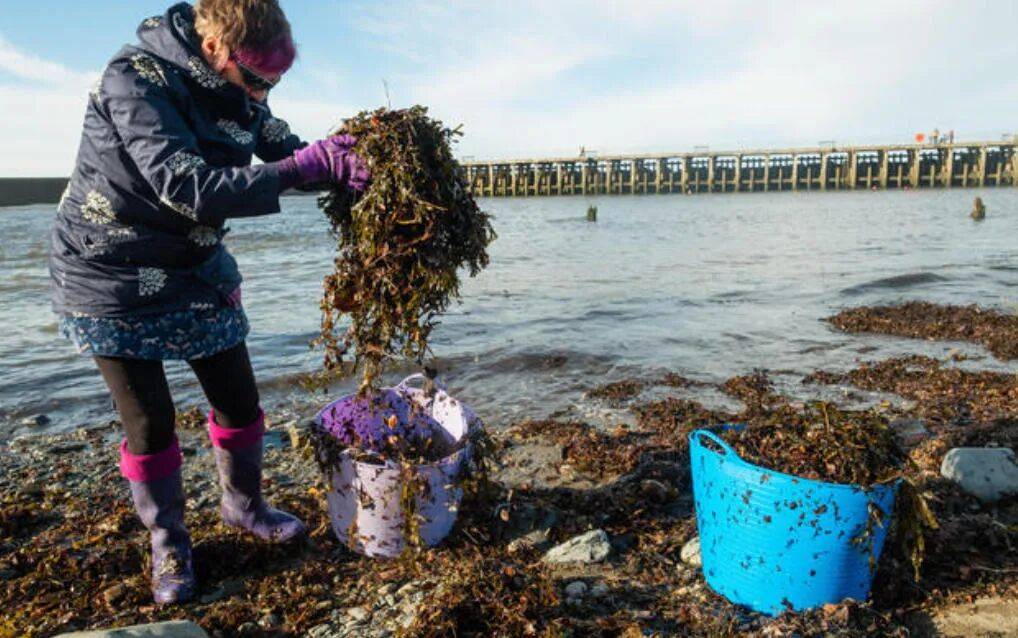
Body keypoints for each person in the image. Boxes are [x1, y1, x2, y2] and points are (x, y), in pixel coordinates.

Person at [49, 1, 369, 604]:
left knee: (240, 399)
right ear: (216, 47)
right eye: (255, 79)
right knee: (149, 421)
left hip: (193, 264)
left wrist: (337, 165)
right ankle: (168, 544)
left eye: (273, 83)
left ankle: (243, 505)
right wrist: (300, 169)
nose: (261, 92)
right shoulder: (131, 79)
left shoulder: (243, 89)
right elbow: (188, 187)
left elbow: (278, 145)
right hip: (108, 272)